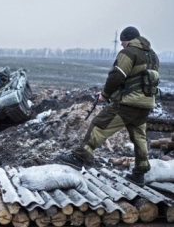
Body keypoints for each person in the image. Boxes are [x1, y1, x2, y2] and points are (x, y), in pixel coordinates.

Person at [56, 26, 160, 186]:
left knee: (100, 125)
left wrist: (105, 95)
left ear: (128, 39)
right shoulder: (153, 56)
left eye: (122, 41)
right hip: (146, 104)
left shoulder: (128, 53)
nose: (121, 45)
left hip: (128, 103)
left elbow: (117, 76)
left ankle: (79, 158)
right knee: (139, 136)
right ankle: (140, 171)